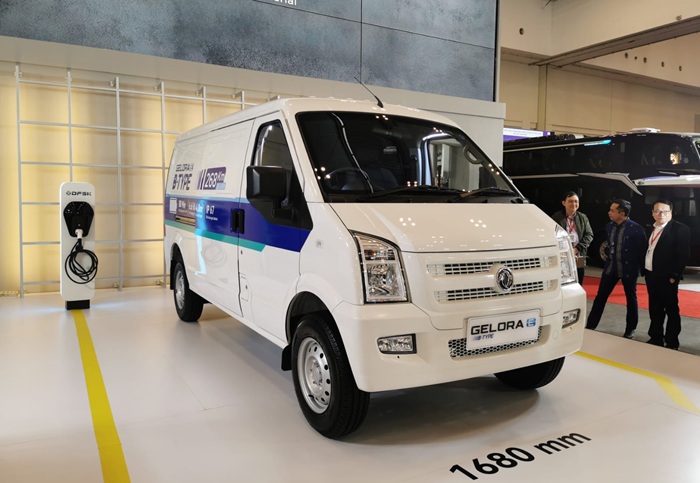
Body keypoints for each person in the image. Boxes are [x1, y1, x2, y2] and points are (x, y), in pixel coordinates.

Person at [586, 199, 647, 339]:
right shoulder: (609, 227)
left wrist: (642, 271)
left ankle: (630, 329)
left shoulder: (636, 229)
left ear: (622, 213)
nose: (609, 212)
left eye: (613, 210)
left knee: (631, 300)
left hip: (628, 270)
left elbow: (642, 251)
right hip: (610, 269)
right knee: (600, 297)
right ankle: (591, 325)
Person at [642, 200, 691, 349]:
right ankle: (656, 337)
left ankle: (672, 341)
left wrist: (674, 275)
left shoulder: (680, 229)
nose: (661, 214)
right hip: (651, 275)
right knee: (655, 308)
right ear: (652, 213)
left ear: (671, 212)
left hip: (668, 277)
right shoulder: (651, 228)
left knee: (671, 309)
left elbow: (683, 255)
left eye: (664, 211)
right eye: (657, 211)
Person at [551, 191, 594, 283]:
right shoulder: (556, 217)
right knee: (564, 282)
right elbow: (553, 235)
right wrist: (567, 251)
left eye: (576, 201)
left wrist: (577, 249)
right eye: (570, 201)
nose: (574, 204)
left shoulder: (583, 217)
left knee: (579, 281)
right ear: (564, 203)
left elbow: (589, 235)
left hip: (578, 254)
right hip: (563, 255)